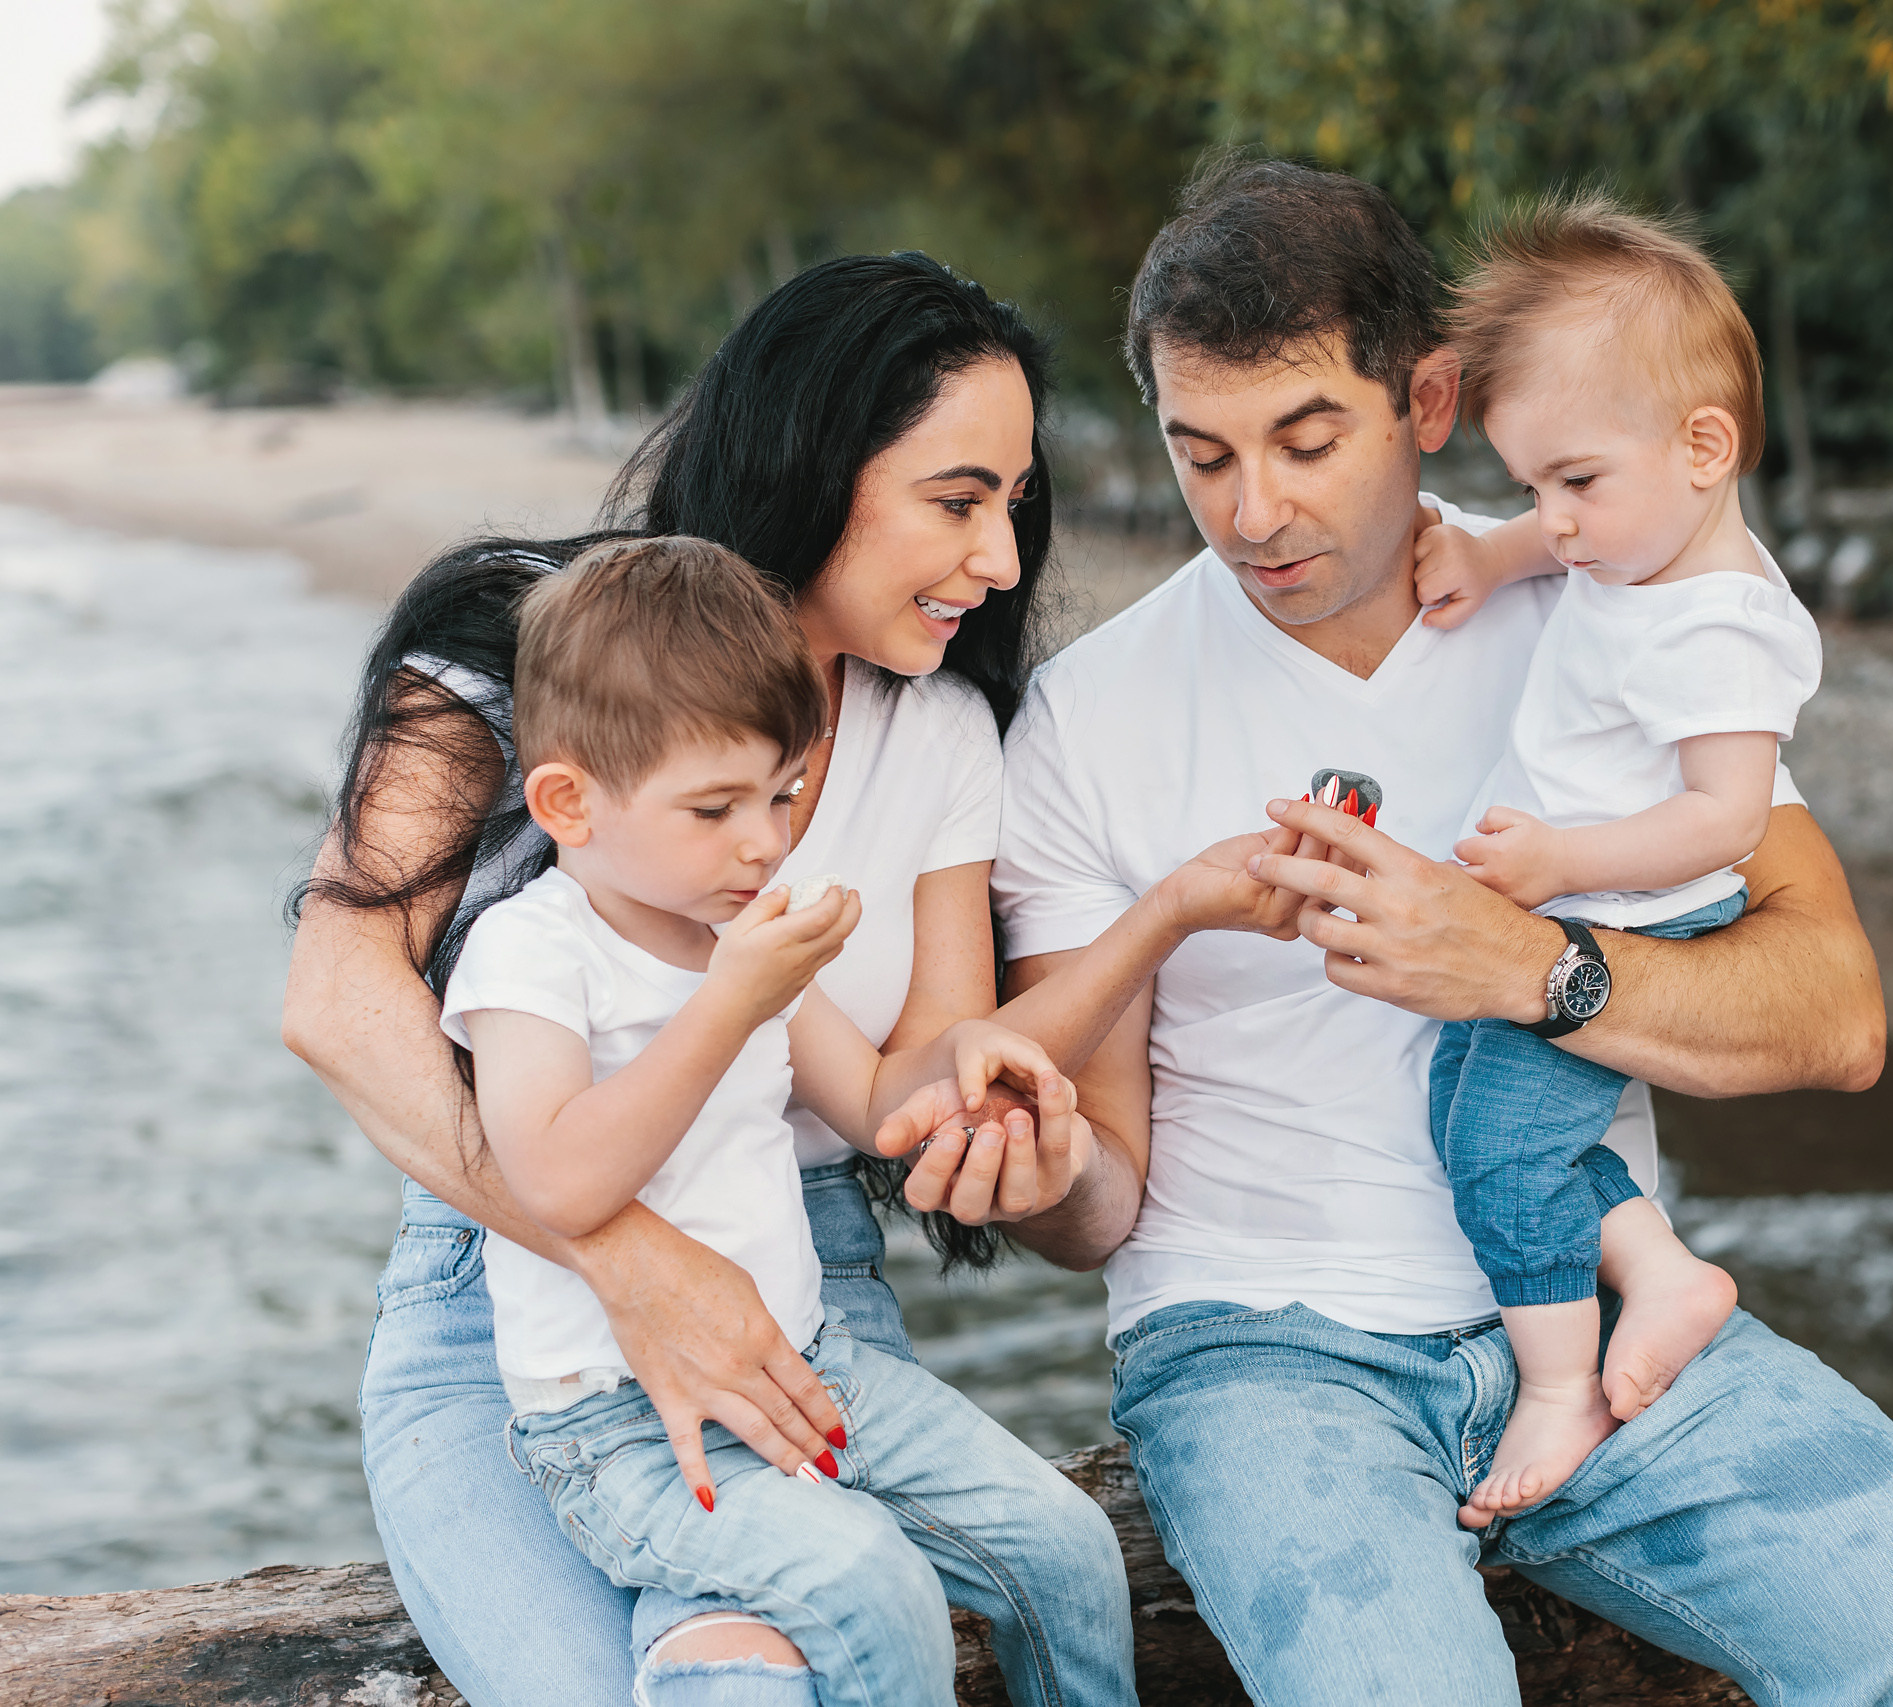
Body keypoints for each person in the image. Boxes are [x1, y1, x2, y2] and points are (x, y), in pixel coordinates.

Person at [993, 159, 1893, 1703]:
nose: (1252, 511)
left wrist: (1530, 971)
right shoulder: (1087, 715)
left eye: (1308, 440)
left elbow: (1836, 1012)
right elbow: (1097, 1202)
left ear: (1429, 400)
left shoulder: (1616, 602)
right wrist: (1037, 1171)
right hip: (1262, 1348)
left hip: (1597, 1301)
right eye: (1200, 452)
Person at [284, 255, 1285, 1705]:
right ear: (813, 463)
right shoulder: (525, 660)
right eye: (957, 500)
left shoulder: (942, 729)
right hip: (503, 1293)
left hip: (804, 1282)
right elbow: (335, 1002)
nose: (1003, 561)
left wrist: (1127, 964)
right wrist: (633, 1262)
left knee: (829, 1628)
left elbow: (910, 1083)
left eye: (1013, 505)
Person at [444, 533, 1137, 1705]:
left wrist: (968, 1060)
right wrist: (731, 1002)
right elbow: (559, 1184)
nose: (764, 841)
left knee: (1065, 1548)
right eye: (715, 807)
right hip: (621, 1429)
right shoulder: (531, 953)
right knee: (873, 1583)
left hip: (811, 1365)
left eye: (782, 795)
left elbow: (871, 1105)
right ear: (568, 802)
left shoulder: (740, 935)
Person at [1398, 193, 1827, 1515]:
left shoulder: (1721, 630)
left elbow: (1727, 820)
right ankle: (1661, 1268)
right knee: (1467, 1110)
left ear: (1705, 446)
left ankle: (1558, 1382)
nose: (1559, 522)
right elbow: (1554, 538)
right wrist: (1490, 551)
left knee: (1497, 1151)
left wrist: (1560, 862)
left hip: (1635, 912)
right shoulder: (1634, 538)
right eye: (1532, 486)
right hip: (1575, 901)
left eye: (1573, 483)